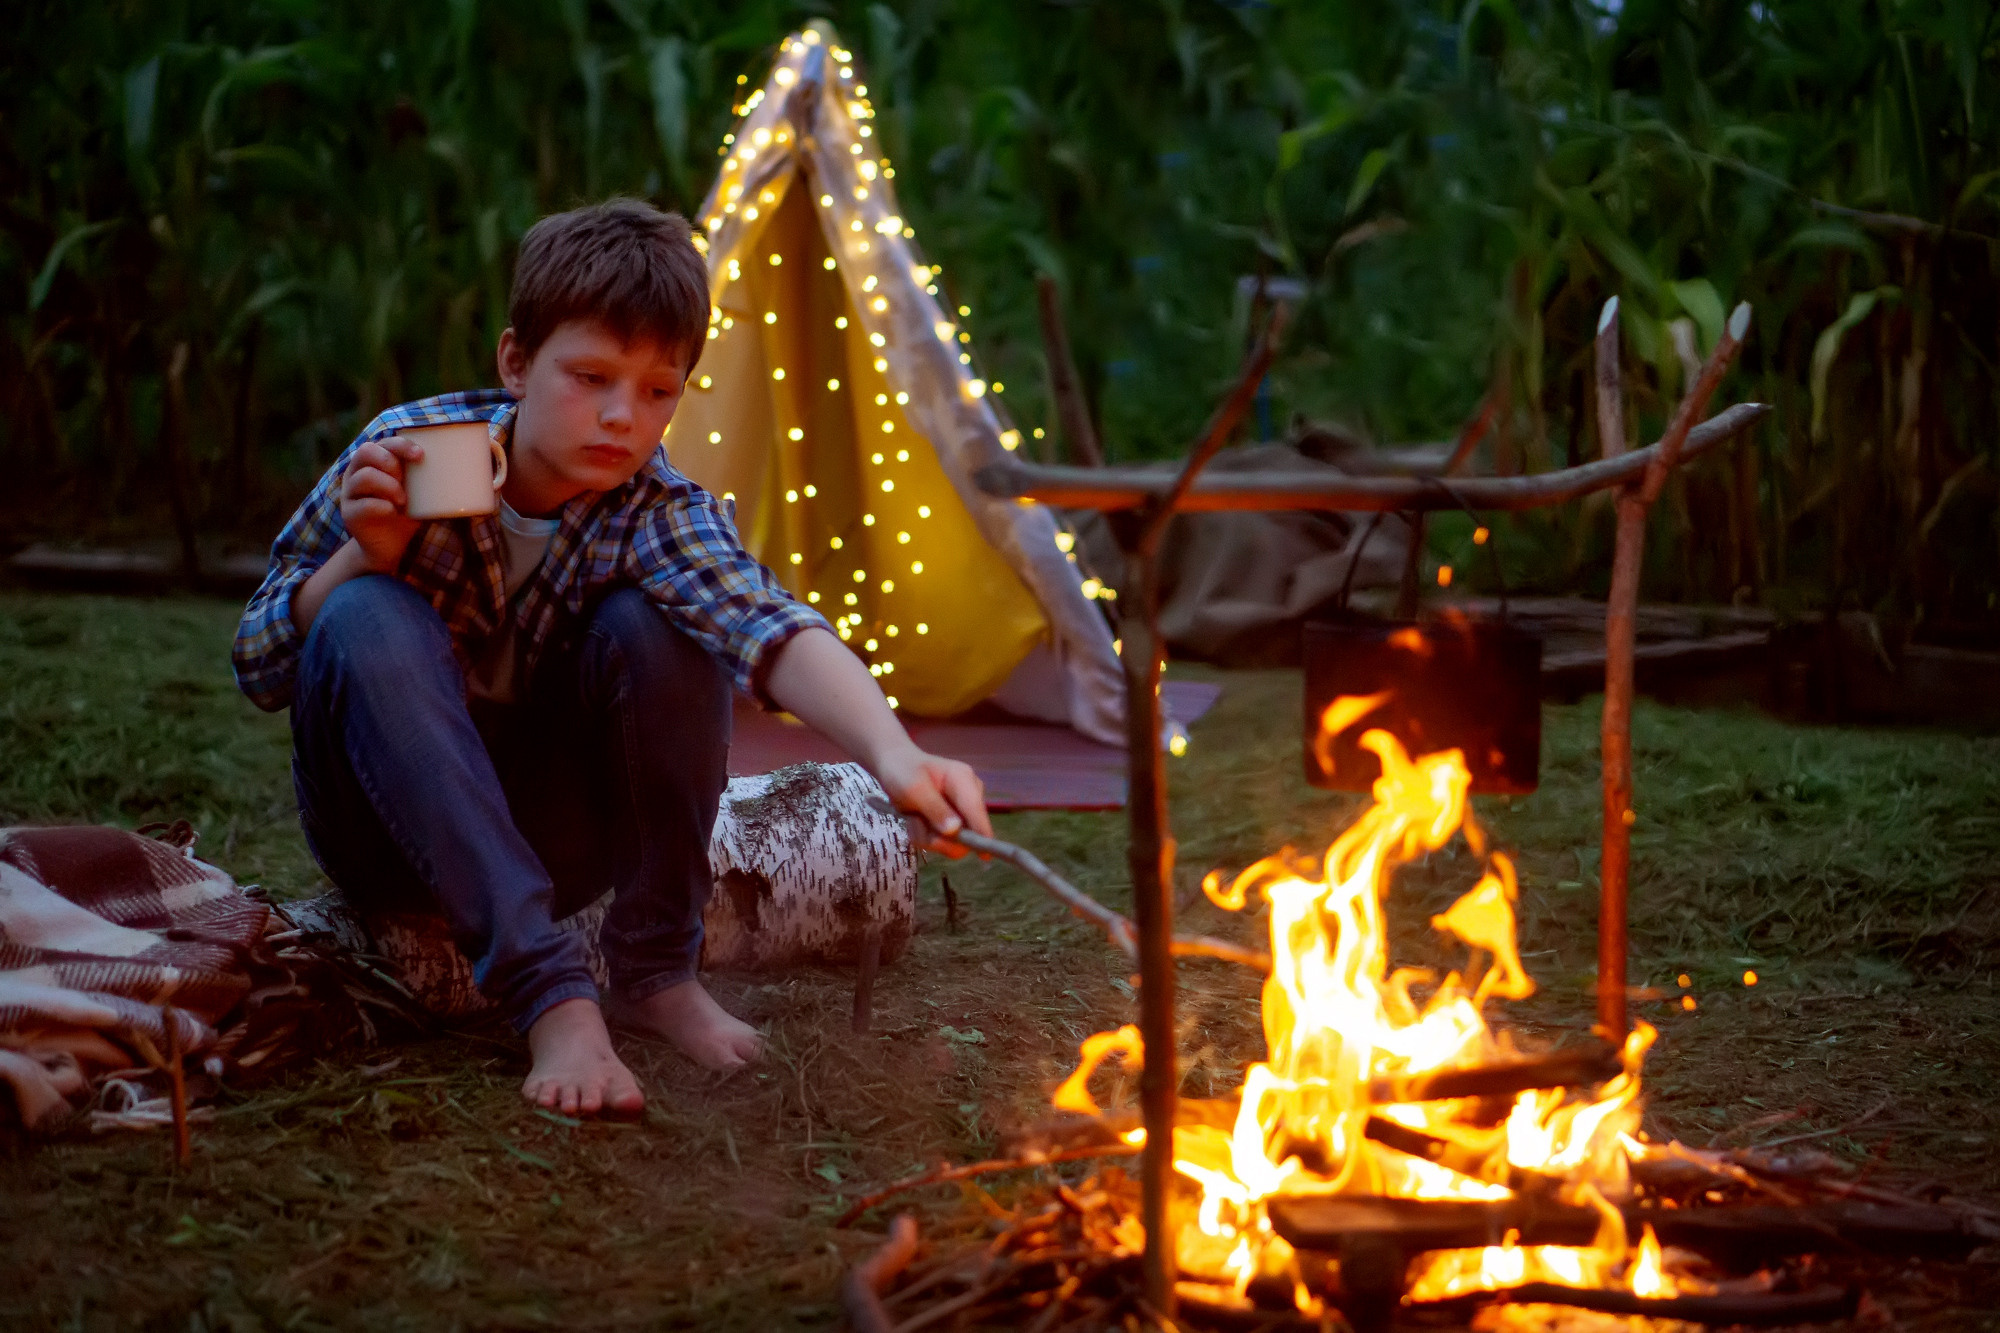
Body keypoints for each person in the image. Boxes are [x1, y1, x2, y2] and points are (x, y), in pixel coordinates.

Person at [232, 198, 990, 1118]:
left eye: (658, 390)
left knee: (670, 624)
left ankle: (653, 967)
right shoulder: (412, 452)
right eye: (590, 376)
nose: (622, 416)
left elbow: (769, 625)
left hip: (559, 833)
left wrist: (895, 752)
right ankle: (549, 993)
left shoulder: (655, 511)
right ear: (516, 362)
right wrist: (365, 554)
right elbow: (261, 663)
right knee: (365, 612)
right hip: (387, 828)